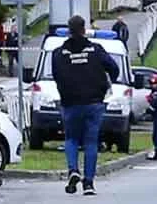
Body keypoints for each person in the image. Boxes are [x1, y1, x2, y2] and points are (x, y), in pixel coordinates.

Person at [51, 15, 119, 196]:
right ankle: (88, 183)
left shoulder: (59, 53)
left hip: (70, 103)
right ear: (84, 29)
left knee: (71, 139)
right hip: (93, 103)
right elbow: (114, 68)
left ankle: (73, 170)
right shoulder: (95, 50)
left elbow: (56, 75)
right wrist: (106, 84)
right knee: (91, 142)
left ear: (69, 30)